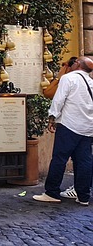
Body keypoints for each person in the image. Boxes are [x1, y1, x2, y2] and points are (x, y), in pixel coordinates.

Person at [34, 56, 93, 205]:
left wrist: (52, 117)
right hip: (87, 128)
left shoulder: (68, 78)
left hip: (69, 125)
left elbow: (58, 99)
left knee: (59, 159)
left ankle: (52, 192)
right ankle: (84, 196)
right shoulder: (91, 83)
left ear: (77, 64)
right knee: (84, 161)